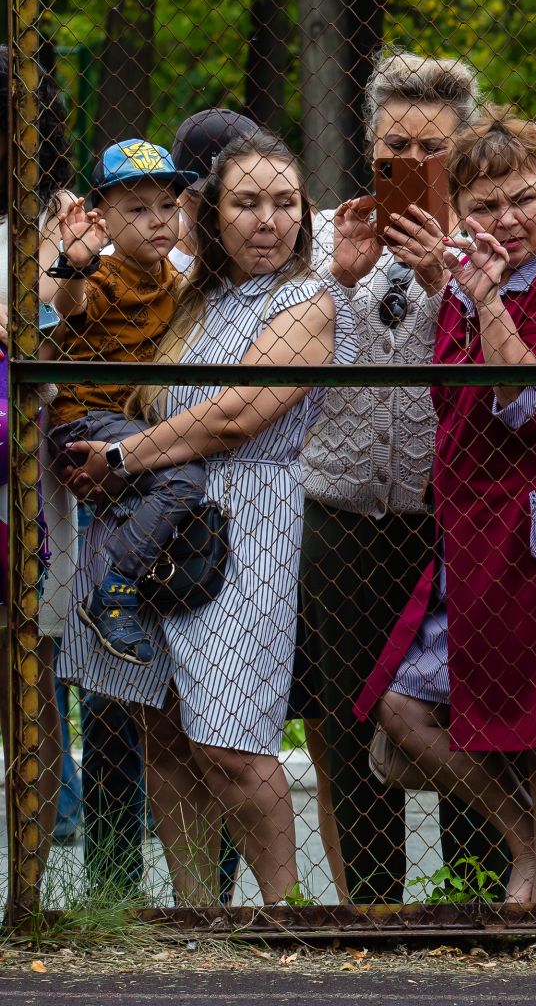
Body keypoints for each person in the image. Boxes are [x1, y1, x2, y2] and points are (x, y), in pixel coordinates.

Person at [358, 107, 536, 904]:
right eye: (484, 208)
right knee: (403, 709)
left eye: (523, 198)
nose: (508, 220)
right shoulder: (466, 280)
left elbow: (525, 405)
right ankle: (527, 842)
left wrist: (487, 302)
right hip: (477, 537)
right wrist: (460, 289)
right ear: (460, 212)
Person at [57, 131, 355, 905]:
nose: (268, 220)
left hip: (248, 522)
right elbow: (85, 312)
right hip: (151, 522)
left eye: (285, 202)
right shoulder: (195, 295)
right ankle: (198, 914)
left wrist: (122, 459)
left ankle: (285, 915)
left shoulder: (308, 300)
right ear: (211, 215)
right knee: (163, 730)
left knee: (232, 741)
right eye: (247, 203)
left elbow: (234, 418)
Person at [298, 49, 500, 904]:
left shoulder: (486, 239)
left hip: (443, 517)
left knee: (461, 713)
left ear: (460, 153)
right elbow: (293, 358)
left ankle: (476, 896)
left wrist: (440, 280)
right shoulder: (318, 239)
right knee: (346, 717)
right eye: (394, 145)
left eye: (430, 149)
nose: (410, 164)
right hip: (339, 512)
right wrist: (340, 282)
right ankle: (373, 907)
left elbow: (497, 371)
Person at [44, 139, 202, 667]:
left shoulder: (176, 282)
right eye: (136, 208)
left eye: (166, 205)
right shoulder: (103, 276)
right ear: (104, 219)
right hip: (82, 421)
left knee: (169, 478)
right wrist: (75, 263)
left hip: (129, 425)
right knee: (184, 475)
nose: (156, 220)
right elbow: (71, 305)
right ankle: (114, 586)